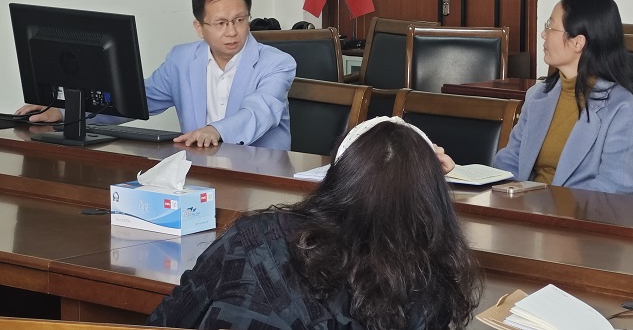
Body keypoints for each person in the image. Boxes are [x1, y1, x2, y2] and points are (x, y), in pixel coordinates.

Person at [145, 116, 483, 330]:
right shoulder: (428, 282)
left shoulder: (252, 238)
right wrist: (419, 170)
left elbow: (168, 320)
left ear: (337, 177)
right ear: (429, 198)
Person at [15, 0, 296, 150]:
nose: (232, 31)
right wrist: (64, 112)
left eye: (240, 20)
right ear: (199, 28)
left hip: (261, 174)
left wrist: (216, 130)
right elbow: (135, 100)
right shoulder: (182, 60)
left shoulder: (277, 63)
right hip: (199, 169)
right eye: (221, 23)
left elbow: (260, 110)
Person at [494, 0, 633, 193]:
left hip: (579, 211)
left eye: (550, 26)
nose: (543, 34)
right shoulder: (538, 95)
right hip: (523, 205)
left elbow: (615, 186)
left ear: (578, 42)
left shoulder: (622, 108)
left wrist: (547, 204)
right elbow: (509, 160)